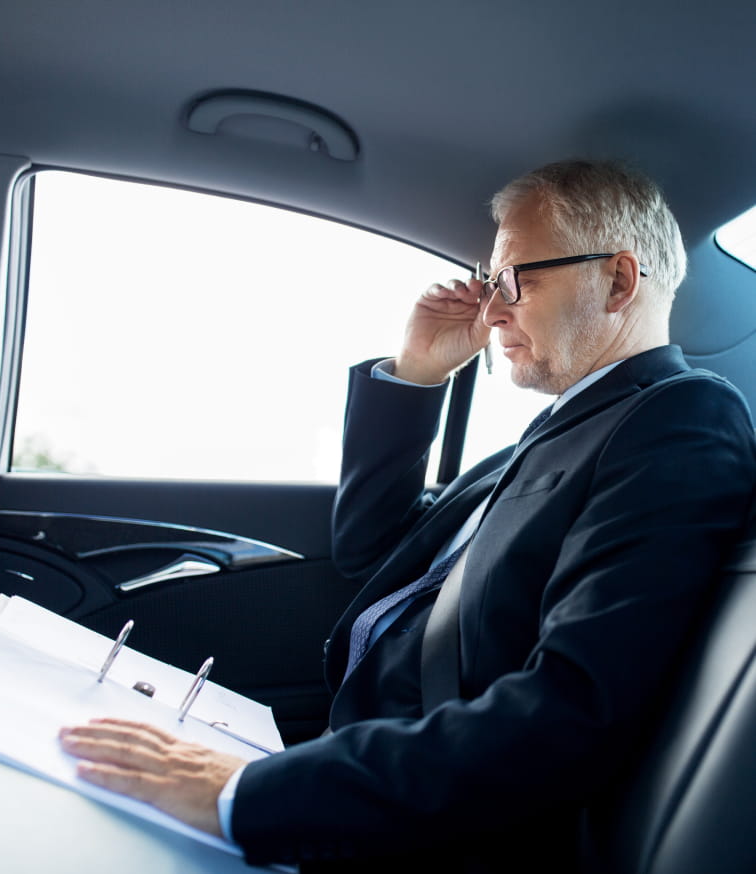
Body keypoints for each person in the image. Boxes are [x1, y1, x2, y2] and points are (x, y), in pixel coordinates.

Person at [60, 159, 756, 872]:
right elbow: (370, 552)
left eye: (516, 279)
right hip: (363, 767)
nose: (491, 311)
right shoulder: (553, 433)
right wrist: (416, 373)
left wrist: (248, 794)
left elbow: (571, 711)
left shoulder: (677, 418)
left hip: (430, 827)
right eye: (491, 283)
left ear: (618, 280)